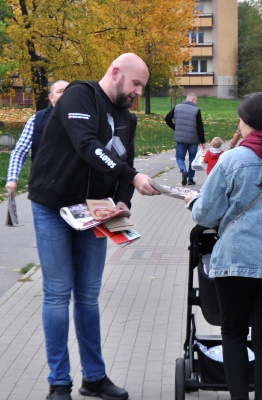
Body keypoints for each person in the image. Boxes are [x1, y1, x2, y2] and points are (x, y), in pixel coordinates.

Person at [28, 53, 160, 400]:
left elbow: (124, 160)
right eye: (135, 84)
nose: (138, 92)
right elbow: (89, 146)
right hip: (53, 206)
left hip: (94, 212)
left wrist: (123, 200)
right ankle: (59, 384)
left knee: (88, 296)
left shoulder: (127, 119)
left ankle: (94, 378)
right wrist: (131, 177)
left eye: (142, 87)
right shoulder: (80, 96)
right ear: (115, 72)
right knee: (58, 294)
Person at [185, 92, 262, 400]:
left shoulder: (231, 160)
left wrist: (192, 201)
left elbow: (206, 213)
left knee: (233, 334)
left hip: (234, 263)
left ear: (246, 123)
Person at [5, 80, 69, 195]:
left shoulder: (83, 121)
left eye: (68, 92)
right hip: (42, 191)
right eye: (60, 91)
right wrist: (12, 178)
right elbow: (20, 151)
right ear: (51, 97)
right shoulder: (37, 120)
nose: (65, 95)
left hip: (74, 193)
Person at [165, 92, 205, 185]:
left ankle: (183, 171)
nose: (196, 102)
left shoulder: (177, 107)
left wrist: (175, 127)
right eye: (196, 100)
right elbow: (200, 126)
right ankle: (190, 179)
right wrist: (202, 140)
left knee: (179, 157)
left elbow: (167, 118)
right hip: (193, 139)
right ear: (192, 99)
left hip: (180, 138)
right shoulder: (196, 110)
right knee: (193, 158)